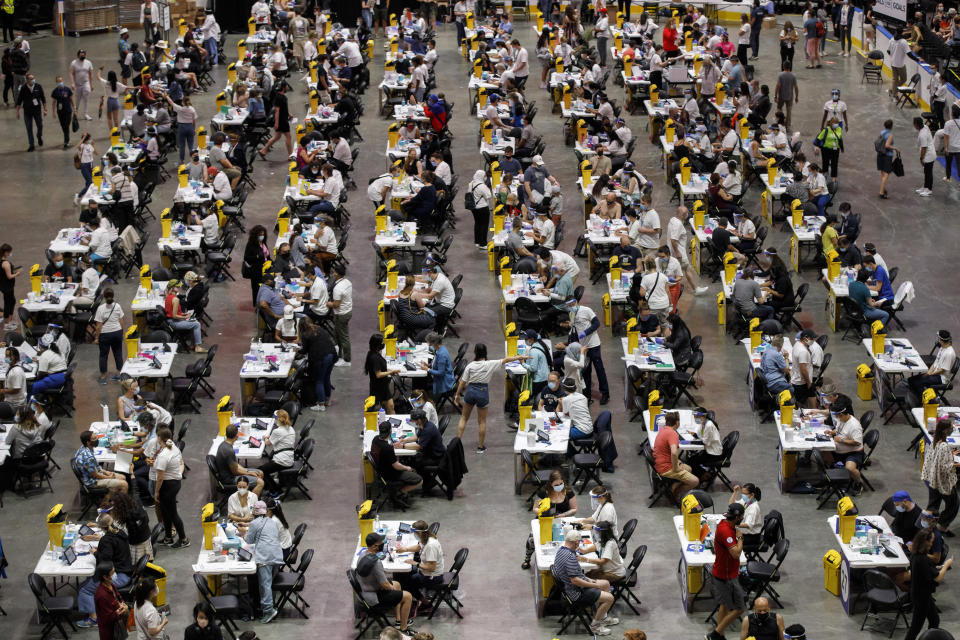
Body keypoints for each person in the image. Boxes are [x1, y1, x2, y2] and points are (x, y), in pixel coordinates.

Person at [455, 343, 526, 451]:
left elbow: (462, 383)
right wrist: (519, 357)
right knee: (482, 421)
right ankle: (480, 447)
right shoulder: (490, 364)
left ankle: (456, 444)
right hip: (482, 392)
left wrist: (456, 395)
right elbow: (506, 360)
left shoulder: (470, 365)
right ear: (485, 353)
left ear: (475, 353)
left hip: (470, 391)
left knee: (464, 418)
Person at [551, 528, 618, 636]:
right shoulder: (570, 557)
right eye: (579, 542)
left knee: (605, 583)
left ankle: (602, 618)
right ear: (576, 542)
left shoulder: (561, 551)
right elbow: (575, 581)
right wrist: (593, 585)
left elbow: (578, 574)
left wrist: (590, 580)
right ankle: (595, 626)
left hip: (572, 588)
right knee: (610, 598)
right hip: (576, 593)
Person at [356, 532, 414, 634]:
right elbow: (385, 585)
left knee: (397, 584)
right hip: (373, 597)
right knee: (408, 596)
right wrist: (391, 589)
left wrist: (392, 587)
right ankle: (404, 628)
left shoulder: (363, 555)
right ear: (375, 546)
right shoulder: (376, 563)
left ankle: (398, 620)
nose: (383, 544)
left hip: (365, 590)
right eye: (381, 543)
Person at [904, 528, 954, 640]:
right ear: (925, 542)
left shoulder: (915, 555)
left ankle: (930, 637)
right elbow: (937, 578)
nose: (932, 543)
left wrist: (935, 568)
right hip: (921, 597)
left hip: (921, 594)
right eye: (931, 541)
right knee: (915, 627)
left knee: (934, 619)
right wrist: (946, 565)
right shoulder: (923, 559)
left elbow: (925, 570)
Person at [706, 502, 746, 640]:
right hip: (726, 576)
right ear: (737, 517)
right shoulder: (727, 531)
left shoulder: (724, 524)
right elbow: (735, 554)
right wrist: (740, 539)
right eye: (741, 516)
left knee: (724, 605)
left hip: (724, 573)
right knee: (739, 608)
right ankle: (716, 634)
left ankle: (720, 635)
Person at [559, 297, 609, 404]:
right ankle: (587, 396)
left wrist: (586, 332)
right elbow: (574, 329)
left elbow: (596, 324)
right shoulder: (571, 314)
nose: (572, 307)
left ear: (576, 302)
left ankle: (605, 393)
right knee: (586, 371)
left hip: (593, 345)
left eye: (573, 304)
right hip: (582, 348)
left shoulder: (586, 310)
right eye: (570, 305)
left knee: (599, 369)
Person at [245, 500, 284, 624]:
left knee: (265, 585)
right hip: (276, 556)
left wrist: (243, 534)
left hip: (265, 557)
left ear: (254, 513)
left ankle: (269, 611)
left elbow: (248, 540)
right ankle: (267, 605)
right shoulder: (272, 521)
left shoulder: (254, 523)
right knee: (268, 583)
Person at [922, 417, 960, 537]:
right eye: (950, 427)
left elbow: (937, 458)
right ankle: (942, 526)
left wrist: (950, 454)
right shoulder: (943, 446)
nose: (953, 428)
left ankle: (924, 526)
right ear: (944, 431)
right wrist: (956, 464)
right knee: (954, 503)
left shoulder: (936, 440)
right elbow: (944, 468)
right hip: (941, 482)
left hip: (931, 479)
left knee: (933, 505)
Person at [371, 420, 422, 505]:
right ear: (390, 431)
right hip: (391, 474)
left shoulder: (375, 439)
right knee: (419, 480)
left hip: (381, 470)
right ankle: (399, 492)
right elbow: (396, 465)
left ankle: (398, 491)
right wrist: (407, 468)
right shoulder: (388, 448)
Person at [153, 427, 188, 548]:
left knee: (172, 513)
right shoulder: (174, 447)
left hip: (167, 486)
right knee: (165, 512)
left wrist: (156, 492)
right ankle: (168, 537)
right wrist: (178, 474)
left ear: (159, 438)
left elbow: (160, 478)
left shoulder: (164, 455)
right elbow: (181, 464)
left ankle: (183, 539)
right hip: (174, 483)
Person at [653, 412, 700, 499]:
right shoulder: (672, 434)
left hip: (660, 464)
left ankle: (675, 484)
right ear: (677, 422)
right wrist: (676, 468)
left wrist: (678, 463)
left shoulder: (663, 430)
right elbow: (674, 453)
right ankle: (675, 491)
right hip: (666, 468)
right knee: (695, 481)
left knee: (689, 468)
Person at [823, 395, 864, 491]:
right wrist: (831, 432)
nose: (836, 418)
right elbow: (838, 430)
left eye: (837, 416)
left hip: (853, 453)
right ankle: (835, 476)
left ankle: (858, 483)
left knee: (850, 468)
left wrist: (841, 440)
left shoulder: (854, 426)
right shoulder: (841, 419)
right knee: (823, 452)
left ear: (842, 414)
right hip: (839, 450)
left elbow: (857, 443)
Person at [80, 561, 129, 635]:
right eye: (113, 573)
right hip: (109, 630)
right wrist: (120, 611)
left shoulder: (111, 585)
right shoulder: (102, 595)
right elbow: (107, 618)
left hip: (118, 624)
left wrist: (123, 604)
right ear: (105, 577)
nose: (115, 575)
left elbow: (118, 596)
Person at [215, 424, 265, 494]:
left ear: (226, 434)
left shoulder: (223, 444)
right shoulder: (229, 451)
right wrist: (248, 473)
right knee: (261, 483)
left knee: (260, 473)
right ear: (237, 436)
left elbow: (235, 465)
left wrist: (246, 470)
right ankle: (250, 503)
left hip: (228, 473)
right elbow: (235, 472)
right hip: (230, 479)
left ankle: (251, 492)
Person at [909, 330, 955, 397]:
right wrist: (928, 372)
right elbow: (935, 363)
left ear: (941, 340)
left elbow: (942, 370)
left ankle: (927, 400)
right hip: (934, 373)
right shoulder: (942, 348)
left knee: (917, 383)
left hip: (941, 378)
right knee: (911, 380)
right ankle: (919, 397)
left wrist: (931, 374)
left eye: (939, 339)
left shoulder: (949, 353)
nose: (938, 340)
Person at [164, 280, 207, 352]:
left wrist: (183, 314)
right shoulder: (176, 300)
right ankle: (197, 347)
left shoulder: (168, 296)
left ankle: (193, 345)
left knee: (194, 322)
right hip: (174, 322)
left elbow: (172, 312)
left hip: (170, 320)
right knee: (197, 325)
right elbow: (174, 316)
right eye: (178, 287)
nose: (179, 288)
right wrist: (184, 317)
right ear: (173, 288)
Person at [366, 333, 401, 414]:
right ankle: (392, 424)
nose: (384, 344)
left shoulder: (373, 353)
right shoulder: (374, 358)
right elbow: (378, 374)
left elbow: (381, 368)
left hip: (382, 385)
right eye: (382, 342)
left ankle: (389, 423)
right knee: (390, 407)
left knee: (389, 407)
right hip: (379, 387)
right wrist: (391, 372)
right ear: (377, 344)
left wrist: (391, 370)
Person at [328, 263, 353, 366]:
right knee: (337, 334)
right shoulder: (347, 282)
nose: (333, 273)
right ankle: (338, 355)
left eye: (334, 272)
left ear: (337, 274)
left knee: (344, 337)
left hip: (341, 314)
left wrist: (326, 303)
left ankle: (347, 360)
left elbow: (336, 305)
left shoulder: (337, 288)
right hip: (347, 311)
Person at [259, 81, 292, 158]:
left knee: (277, 136)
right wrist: (276, 123)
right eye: (286, 86)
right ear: (283, 88)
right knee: (288, 136)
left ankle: (263, 150)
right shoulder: (279, 98)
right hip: (282, 121)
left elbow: (284, 108)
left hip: (282, 119)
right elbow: (277, 111)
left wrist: (289, 114)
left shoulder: (281, 97)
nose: (288, 87)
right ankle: (291, 155)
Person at [14, 71, 44, 151]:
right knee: (29, 128)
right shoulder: (23, 88)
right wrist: (17, 112)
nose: (33, 80)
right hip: (27, 112)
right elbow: (19, 101)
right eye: (31, 79)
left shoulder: (38, 87)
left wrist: (45, 109)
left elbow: (43, 98)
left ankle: (39, 136)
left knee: (40, 125)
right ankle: (31, 145)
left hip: (37, 111)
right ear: (27, 80)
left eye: (33, 78)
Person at [243, 225, 270, 306]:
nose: (262, 236)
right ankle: (257, 305)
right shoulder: (251, 244)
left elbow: (267, 254)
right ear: (255, 235)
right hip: (256, 271)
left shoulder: (263, 242)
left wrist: (270, 261)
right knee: (256, 289)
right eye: (260, 234)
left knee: (265, 288)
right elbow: (246, 257)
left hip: (265, 269)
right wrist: (257, 257)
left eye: (263, 234)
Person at [731, 483, 763, 548]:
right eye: (742, 493)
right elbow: (732, 505)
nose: (743, 495)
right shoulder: (746, 501)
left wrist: (733, 524)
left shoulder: (754, 507)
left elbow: (748, 525)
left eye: (745, 494)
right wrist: (735, 492)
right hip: (744, 532)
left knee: (729, 540)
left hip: (751, 537)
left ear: (752, 495)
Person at [915, 116, 935, 197]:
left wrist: (921, 158)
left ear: (916, 125)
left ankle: (928, 189)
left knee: (928, 172)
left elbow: (924, 147)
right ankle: (925, 187)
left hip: (928, 155)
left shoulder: (922, 135)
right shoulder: (925, 127)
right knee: (926, 171)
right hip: (930, 154)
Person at [774, 62, 798, 129]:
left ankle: (780, 123)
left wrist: (775, 96)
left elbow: (778, 86)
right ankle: (787, 126)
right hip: (790, 96)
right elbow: (796, 87)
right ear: (790, 67)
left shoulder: (780, 75)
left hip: (781, 96)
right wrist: (796, 97)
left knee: (779, 109)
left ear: (783, 66)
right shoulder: (793, 76)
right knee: (789, 111)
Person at [876, 119, 896, 199]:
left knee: (883, 173)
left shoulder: (882, 132)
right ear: (891, 126)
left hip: (880, 154)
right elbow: (887, 145)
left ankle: (883, 188)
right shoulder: (890, 135)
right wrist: (895, 148)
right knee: (887, 173)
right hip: (887, 155)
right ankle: (881, 192)